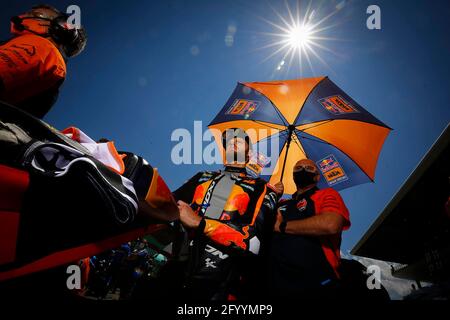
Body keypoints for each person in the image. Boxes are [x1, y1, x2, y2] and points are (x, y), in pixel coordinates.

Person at [172, 128, 282, 300]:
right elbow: (169, 206)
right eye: (229, 139)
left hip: (221, 283)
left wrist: (201, 224)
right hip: (176, 269)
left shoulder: (262, 188)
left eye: (240, 139)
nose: (233, 140)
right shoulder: (203, 176)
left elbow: (253, 241)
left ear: (249, 154)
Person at [268, 158, 351, 299]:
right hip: (271, 283)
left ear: (317, 176)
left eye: (309, 168)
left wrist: (282, 226)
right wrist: (272, 196)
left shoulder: (326, 194)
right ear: (293, 175)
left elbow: (331, 224)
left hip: (314, 283)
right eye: (298, 168)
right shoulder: (282, 202)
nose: (303, 170)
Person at [0, 4, 87, 118]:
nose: (23, 17)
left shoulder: (43, 48)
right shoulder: (52, 59)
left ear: (62, 27)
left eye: (35, 15)